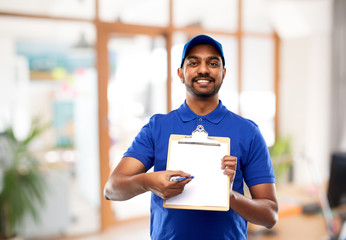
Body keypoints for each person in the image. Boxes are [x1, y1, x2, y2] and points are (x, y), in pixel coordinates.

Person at [104, 34, 278, 240]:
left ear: (223, 73)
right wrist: (148, 181)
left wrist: (229, 196)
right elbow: (112, 189)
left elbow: (270, 215)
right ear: (180, 73)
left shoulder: (248, 132)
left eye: (213, 63)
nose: (203, 69)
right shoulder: (157, 127)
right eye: (194, 62)